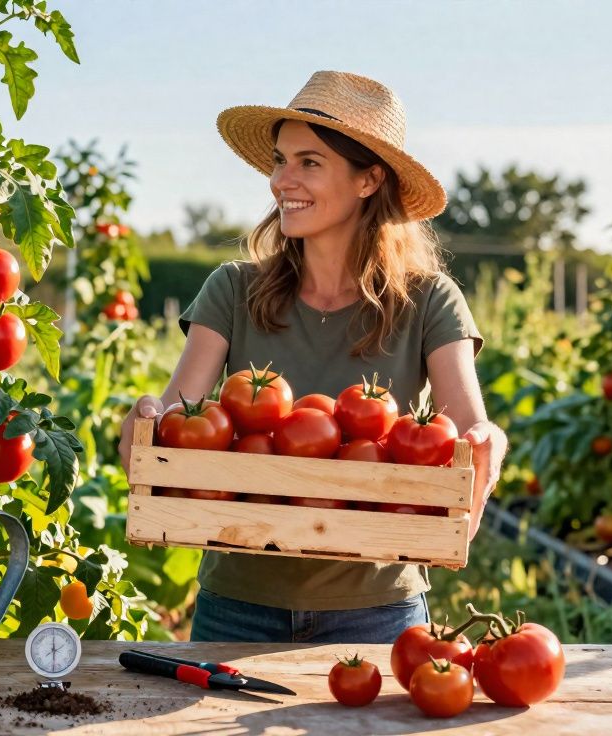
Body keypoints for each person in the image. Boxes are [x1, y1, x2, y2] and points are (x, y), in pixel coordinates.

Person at [119, 71, 507, 644]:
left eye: (309, 163)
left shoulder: (428, 301)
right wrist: (146, 426)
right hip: (237, 602)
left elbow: (466, 424)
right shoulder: (232, 290)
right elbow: (182, 415)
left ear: (368, 180)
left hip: (378, 607)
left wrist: (487, 441)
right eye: (280, 160)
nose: (281, 181)